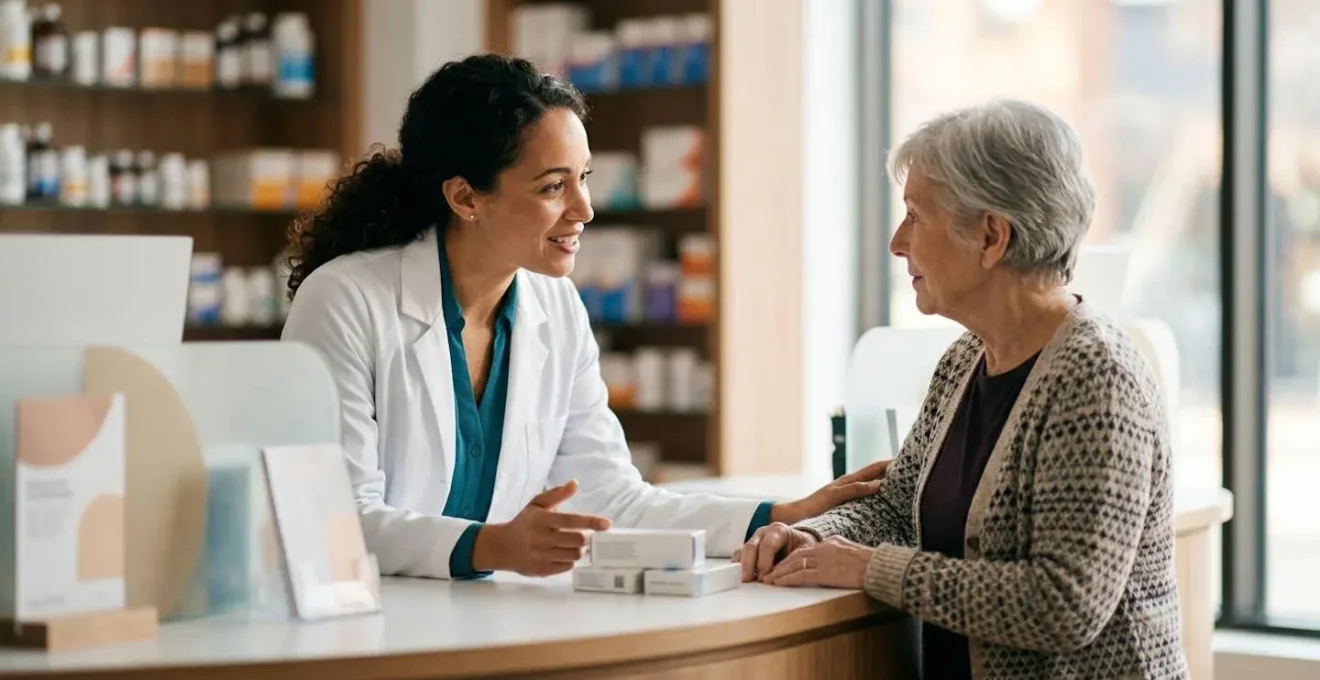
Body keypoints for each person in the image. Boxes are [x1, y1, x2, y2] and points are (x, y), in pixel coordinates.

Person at [279, 54, 886, 581]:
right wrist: (489, 545)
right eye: (552, 187)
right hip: (371, 630)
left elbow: (613, 499)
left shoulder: (554, 306)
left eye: (584, 179)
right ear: (465, 197)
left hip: (484, 620)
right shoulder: (346, 301)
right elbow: (336, 516)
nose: (585, 209)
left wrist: (780, 514)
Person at [736, 100, 1187, 679]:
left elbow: (1064, 603)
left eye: (916, 217)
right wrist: (805, 536)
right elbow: (898, 511)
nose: (898, 243)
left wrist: (871, 568)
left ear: (992, 237)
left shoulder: (1097, 380)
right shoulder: (964, 360)